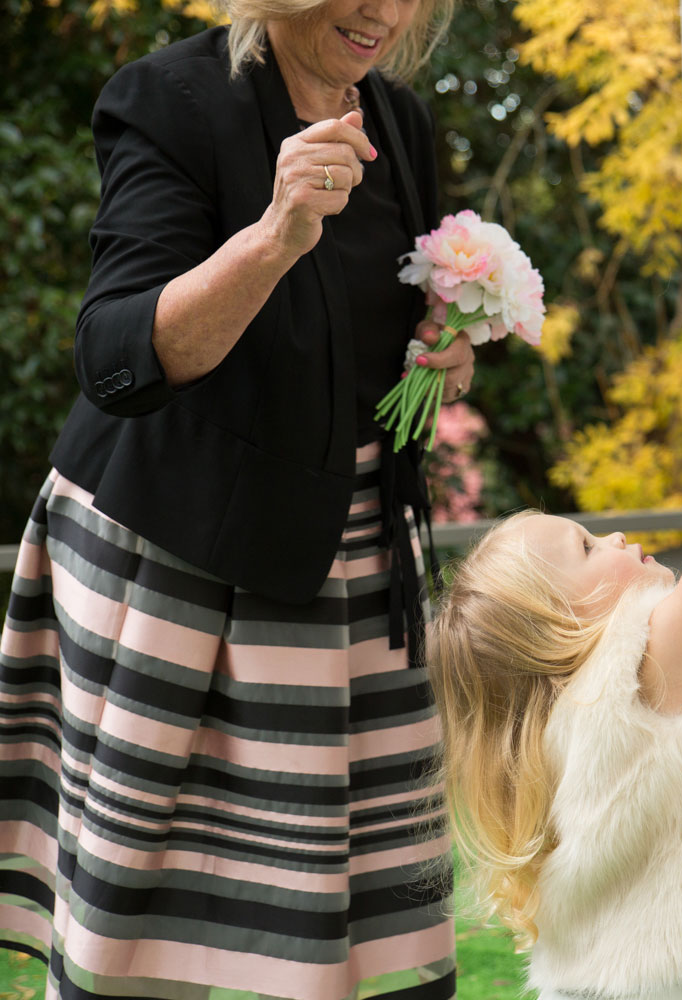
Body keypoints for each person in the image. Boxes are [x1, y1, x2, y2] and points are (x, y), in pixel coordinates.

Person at [0, 2, 471, 997]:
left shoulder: (401, 122)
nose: (383, 12)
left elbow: (376, 333)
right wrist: (276, 233)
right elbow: (117, 356)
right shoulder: (169, 100)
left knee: (386, 944)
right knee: (140, 952)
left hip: (347, 564)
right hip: (172, 557)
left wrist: (445, 350)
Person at [428, 289, 682, 1000]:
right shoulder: (641, 659)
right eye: (585, 546)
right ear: (557, 621)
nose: (613, 537)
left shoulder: (582, 717)